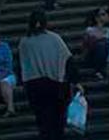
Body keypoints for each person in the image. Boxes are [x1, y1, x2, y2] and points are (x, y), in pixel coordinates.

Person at [19, 10, 73, 139]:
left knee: (42, 119)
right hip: (55, 82)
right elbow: (67, 58)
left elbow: (23, 64)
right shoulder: (54, 38)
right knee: (58, 119)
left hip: (34, 83)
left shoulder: (25, 42)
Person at [81, 6, 109, 79]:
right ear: (97, 18)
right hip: (93, 54)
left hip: (108, 56)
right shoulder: (90, 30)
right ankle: (99, 70)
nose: (106, 16)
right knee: (102, 44)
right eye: (103, 14)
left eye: (106, 14)